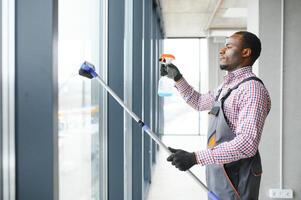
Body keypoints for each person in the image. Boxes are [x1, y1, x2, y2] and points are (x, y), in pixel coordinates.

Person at [162, 31, 271, 200]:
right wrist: (177, 78)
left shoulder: (251, 89)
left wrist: (195, 157)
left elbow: (247, 143)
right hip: (221, 173)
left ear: (246, 52)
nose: (221, 50)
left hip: (237, 178)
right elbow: (199, 102)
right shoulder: (227, 86)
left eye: (228, 46)